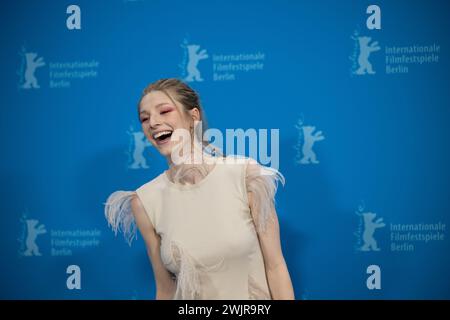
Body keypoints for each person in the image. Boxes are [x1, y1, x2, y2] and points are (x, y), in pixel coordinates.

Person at [104, 78, 295, 299]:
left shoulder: (244, 175)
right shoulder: (145, 201)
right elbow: (165, 289)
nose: (153, 123)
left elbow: (276, 267)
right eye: (144, 118)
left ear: (193, 117)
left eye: (164, 111)